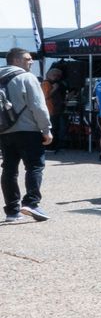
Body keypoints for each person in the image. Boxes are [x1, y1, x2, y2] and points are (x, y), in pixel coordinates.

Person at [1, 48, 54, 223]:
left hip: (4, 131)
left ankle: (12, 211)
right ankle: (31, 202)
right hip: (28, 130)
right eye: (27, 59)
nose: (31, 61)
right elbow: (38, 106)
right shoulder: (27, 78)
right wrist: (46, 129)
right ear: (15, 60)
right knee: (34, 167)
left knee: (9, 170)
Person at [41, 64, 66, 153]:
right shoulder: (46, 83)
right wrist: (54, 89)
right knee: (52, 128)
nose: (57, 77)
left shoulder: (56, 83)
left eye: (58, 76)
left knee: (56, 128)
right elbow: (45, 96)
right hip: (49, 110)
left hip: (55, 110)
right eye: (55, 75)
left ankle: (54, 145)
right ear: (50, 75)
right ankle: (49, 146)